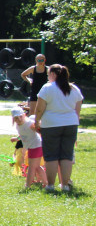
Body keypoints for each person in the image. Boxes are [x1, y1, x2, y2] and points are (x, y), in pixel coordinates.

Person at [34, 63, 84, 193]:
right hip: (71, 125)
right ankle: (65, 185)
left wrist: (37, 121)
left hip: (51, 125)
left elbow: (39, 108)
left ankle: (50, 185)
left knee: (51, 156)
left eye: (48, 74)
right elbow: (77, 111)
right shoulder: (74, 89)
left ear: (53, 74)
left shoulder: (47, 88)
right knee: (66, 156)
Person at [11, 105, 47, 189]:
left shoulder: (29, 123)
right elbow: (23, 134)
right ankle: (46, 182)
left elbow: (39, 129)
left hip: (36, 146)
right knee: (37, 166)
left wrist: (37, 127)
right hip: (31, 147)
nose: (18, 120)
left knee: (32, 166)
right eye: (16, 118)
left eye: (20, 117)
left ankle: (28, 185)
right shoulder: (18, 125)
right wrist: (17, 138)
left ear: (24, 115)